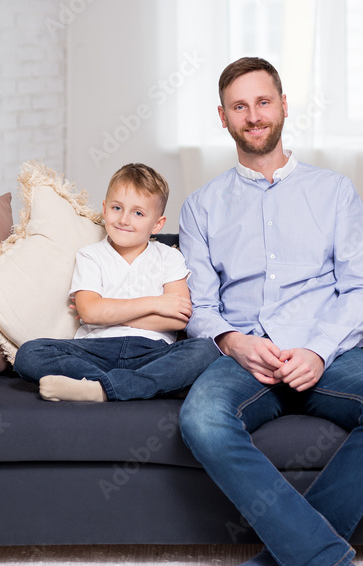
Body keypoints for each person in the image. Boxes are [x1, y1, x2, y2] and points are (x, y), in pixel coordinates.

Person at [178, 58, 363, 566]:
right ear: (223, 117)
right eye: (239, 106)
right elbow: (202, 308)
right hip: (246, 357)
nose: (253, 115)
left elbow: (361, 288)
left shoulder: (334, 192)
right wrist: (236, 343)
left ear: (284, 106)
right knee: (200, 420)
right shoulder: (202, 206)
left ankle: (273, 563)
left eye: (263, 102)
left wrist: (316, 349)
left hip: (330, 353)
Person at [14, 163, 221, 402]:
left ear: (157, 224)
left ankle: (98, 389)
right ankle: (134, 386)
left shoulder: (170, 257)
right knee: (29, 354)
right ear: (104, 209)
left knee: (205, 351)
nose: (124, 219)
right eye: (117, 208)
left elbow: (177, 319)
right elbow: (90, 313)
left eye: (138, 213)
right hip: (95, 350)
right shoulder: (90, 256)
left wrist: (108, 312)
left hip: (151, 351)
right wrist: (155, 303)